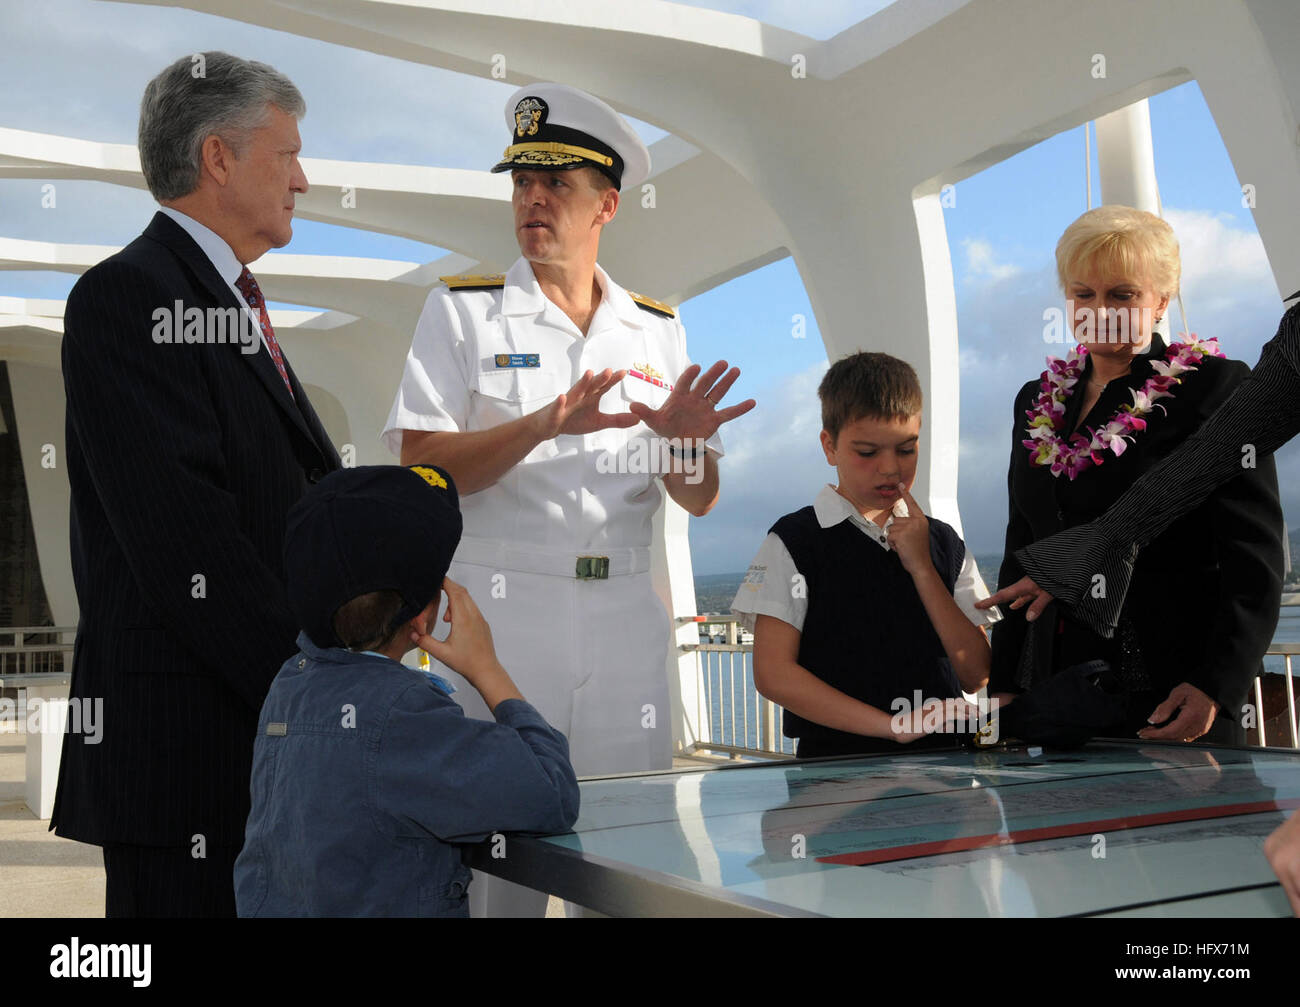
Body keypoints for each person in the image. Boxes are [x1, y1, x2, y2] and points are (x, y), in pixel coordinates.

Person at [383, 83, 753, 915]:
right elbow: (423, 463)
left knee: (630, 852)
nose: (533, 198)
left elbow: (699, 497)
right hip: (505, 616)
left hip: (627, 613)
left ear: (607, 205)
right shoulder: (462, 313)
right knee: (497, 867)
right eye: (522, 181)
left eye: (557, 183)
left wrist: (688, 442)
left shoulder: (656, 327)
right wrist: (548, 421)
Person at [52, 52, 340, 917]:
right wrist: (323, 692)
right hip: (186, 765)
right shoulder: (130, 295)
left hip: (252, 749)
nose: (304, 177)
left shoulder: (224, 301)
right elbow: (189, 543)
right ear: (219, 157)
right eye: (286, 153)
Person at [988, 206, 1285, 745]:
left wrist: (1215, 686)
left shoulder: (1214, 389)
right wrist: (1006, 684)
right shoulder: (1035, 402)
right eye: (1084, 295)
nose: (1100, 311)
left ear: (1161, 302)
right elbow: (1022, 546)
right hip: (1058, 692)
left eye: (1122, 295)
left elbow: (1255, 554)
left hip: (1172, 690)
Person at [234, 465, 579, 917]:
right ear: (423, 618)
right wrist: (487, 670)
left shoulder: (289, 684)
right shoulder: (404, 718)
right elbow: (550, 791)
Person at [732, 352, 1001, 756]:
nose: (890, 468)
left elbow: (976, 673)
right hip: (835, 773)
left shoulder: (943, 541)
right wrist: (891, 726)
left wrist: (923, 568)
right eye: (867, 452)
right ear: (830, 446)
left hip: (947, 771)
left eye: (906, 450)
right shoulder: (794, 541)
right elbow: (773, 674)